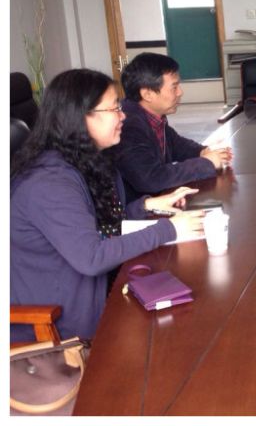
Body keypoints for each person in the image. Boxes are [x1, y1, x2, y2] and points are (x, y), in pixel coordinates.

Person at [10, 69, 205, 342]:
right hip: (60, 328)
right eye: (115, 108)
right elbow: (92, 257)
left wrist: (147, 205)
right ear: (81, 117)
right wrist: (169, 229)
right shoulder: (49, 182)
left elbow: (98, 226)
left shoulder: (83, 160)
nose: (123, 115)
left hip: (95, 295)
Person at [111, 52, 233, 198]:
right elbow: (151, 179)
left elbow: (175, 144)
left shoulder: (152, 115)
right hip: (137, 208)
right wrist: (206, 163)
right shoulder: (128, 126)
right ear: (147, 94)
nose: (180, 92)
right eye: (174, 87)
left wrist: (202, 151)